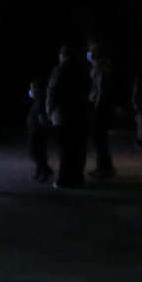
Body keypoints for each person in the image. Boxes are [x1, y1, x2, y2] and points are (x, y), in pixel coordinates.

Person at [46, 43, 90, 187]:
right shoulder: (82, 70)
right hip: (80, 114)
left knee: (65, 148)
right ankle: (77, 176)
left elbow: (52, 92)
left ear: (62, 55)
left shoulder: (59, 71)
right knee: (79, 147)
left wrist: (49, 111)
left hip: (63, 115)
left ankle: (65, 178)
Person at [87, 43, 117, 178]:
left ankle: (103, 168)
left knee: (99, 139)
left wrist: (97, 109)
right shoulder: (100, 68)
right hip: (101, 107)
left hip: (99, 108)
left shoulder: (100, 69)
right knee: (100, 139)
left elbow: (101, 91)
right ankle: (105, 166)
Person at [25, 77, 53, 182]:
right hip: (36, 131)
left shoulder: (41, 101)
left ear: (39, 90)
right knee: (39, 152)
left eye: (32, 89)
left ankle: (45, 171)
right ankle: (40, 172)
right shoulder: (39, 100)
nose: (31, 91)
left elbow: (42, 117)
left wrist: (44, 128)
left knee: (34, 152)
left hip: (37, 132)